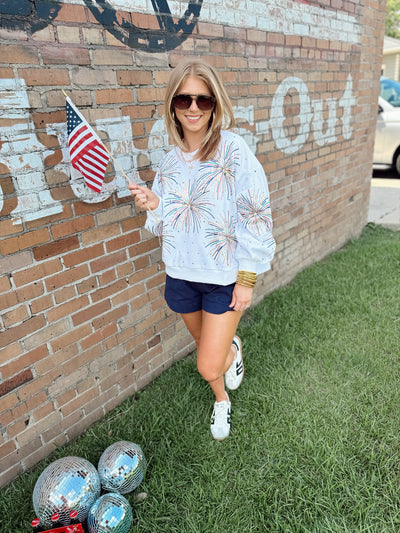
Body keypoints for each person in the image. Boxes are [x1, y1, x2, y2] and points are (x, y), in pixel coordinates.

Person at [129, 58, 275, 440]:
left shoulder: (234, 151)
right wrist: (153, 205)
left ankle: (228, 359)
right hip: (181, 275)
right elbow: (165, 224)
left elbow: (255, 214)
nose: (193, 108)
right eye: (184, 99)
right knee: (207, 352)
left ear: (216, 104)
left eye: (203, 100)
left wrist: (247, 277)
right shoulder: (169, 162)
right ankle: (221, 398)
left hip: (223, 278)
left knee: (208, 364)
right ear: (172, 105)